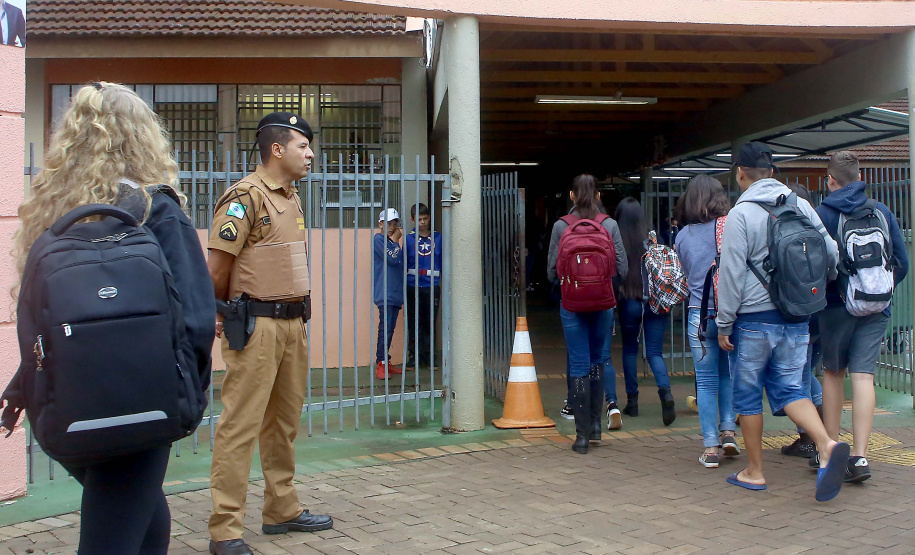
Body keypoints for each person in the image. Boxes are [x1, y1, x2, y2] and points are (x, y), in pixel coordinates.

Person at [5, 82, 214, 554]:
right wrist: (187, 393)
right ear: (143, 136)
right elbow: (197, 320)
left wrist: (29, 387)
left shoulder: (56, 213)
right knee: (114, 533)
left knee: (143, 515)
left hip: (69, 404)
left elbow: (36, 318)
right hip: (143, 399)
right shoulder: (157, 209)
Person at [207, 112, 332, 555]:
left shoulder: (291, 197)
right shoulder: (245, 197)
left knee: (283, 423)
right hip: (256, 325)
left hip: (292, 323)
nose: (310, 154)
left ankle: (281, 509)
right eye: (303, 145)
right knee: (240, 425)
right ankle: (225, 529)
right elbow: (217, 268)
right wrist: (219, 315)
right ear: (277, 149)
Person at [716, 141, 848, 500]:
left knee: (747, 396)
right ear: (772, 172)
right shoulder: (801, 205)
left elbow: (731, 274)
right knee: (792, 389)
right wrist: (819, 285)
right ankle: (825, 444)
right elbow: (831, 252)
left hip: (752, 320)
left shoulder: (740, 215)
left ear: (740, 174)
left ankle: (754, 472)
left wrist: (724, 322)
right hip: (797, 315)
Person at [814, 151, 908, 483]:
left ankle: (828, 449)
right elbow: (902, 262)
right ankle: (860, 457)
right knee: (864, 376)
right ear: (859, 177)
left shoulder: (824, 214)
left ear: (830, 180)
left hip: (836, 307)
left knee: (833, 373)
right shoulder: (881, 210)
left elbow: (819, 265)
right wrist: (877, 290)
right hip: (877, 308)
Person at [547, 174, 627, 453]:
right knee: (598, 361)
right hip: (603, 305)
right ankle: (595, 427)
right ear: (598, 196)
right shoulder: (609, 225)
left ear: (571, 195)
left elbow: (551, 271)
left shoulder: (561, 226)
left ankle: (581, 437)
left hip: (571, 306)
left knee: (579, 363)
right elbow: (622, 267)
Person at [674, 175, 740, 468]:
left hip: (699, 316)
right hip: (730, 313)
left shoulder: (683, 236)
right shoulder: (731, 228)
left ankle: (711, 448)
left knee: (705, 381)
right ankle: (729, 432)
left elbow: (687, 272)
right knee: (727, 376)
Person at [614, 197, 676, 426]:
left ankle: (632, 402)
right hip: (656, 302)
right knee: (654, 352)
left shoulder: (617, 239)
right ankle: (666, 393)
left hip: (630, 301)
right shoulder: (653, 238)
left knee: (630, 350)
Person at [780, 183, 825, 459]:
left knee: (798, 377)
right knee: (805, 372)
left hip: (797, 314)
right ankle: (819, 433)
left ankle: (811, 437)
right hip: (821, 311)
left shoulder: (784, 230)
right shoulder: (819, 228)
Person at [405, 203, 443, 369]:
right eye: (419, 219)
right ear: (413, 220)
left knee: (430, 323)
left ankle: (429, 356)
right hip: (412, 286)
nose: (422, 222)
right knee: (413, 322)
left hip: (432, 286)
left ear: (429, 218)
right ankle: (414, 356)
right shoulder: (408, 239)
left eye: (425, 218)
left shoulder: (438, 238)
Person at [374, 208, 405, 380]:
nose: (392, 228)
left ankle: (386, 360)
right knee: (385, 328)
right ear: (380, 224)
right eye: (388, 224)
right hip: (384, 292)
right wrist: (394, 241)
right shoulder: (379, 240)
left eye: (394, 224)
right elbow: (392, 259)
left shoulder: (392, 243)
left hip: (395, 293)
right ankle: (381, 362)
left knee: (390, 328)